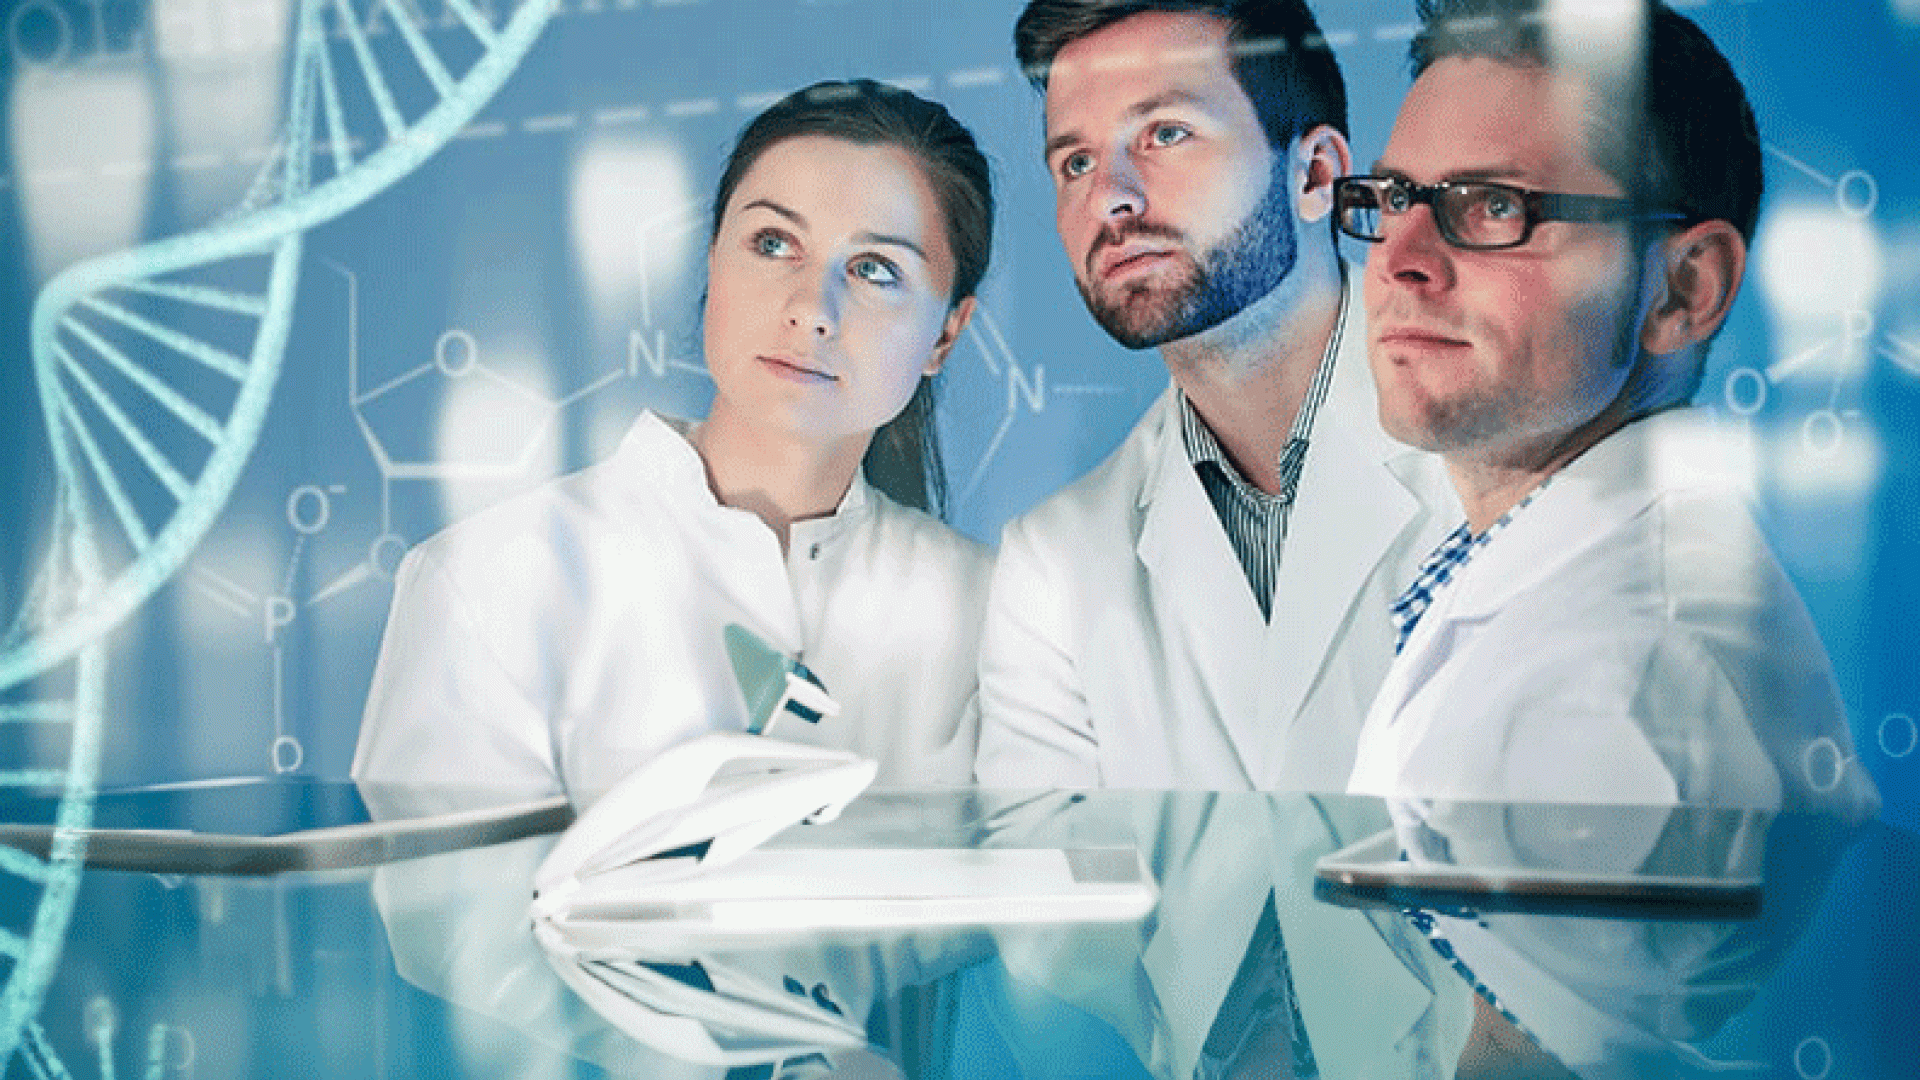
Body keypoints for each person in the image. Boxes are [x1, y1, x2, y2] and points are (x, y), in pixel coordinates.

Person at [1338, 2, 1881, 1074]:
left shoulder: (1619, 680)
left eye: (1490, 206)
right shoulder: (1530, 568)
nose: (1398, 258)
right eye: (1391, 198)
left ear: (1685, 291)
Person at [968, 5, 1470, 1079]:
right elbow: (1047, 908)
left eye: (1164, 134)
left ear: (1315, 173)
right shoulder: (1054, 562)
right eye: (1073, 161)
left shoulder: (1508, 460)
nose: (1110, 196)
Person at [353, 79, 994, 803]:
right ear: (714, 260)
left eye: (875, 269)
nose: (812, 310)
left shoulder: (991, 613)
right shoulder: (495, 581)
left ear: (945, 332)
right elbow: (448, 907)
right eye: (774, 243)